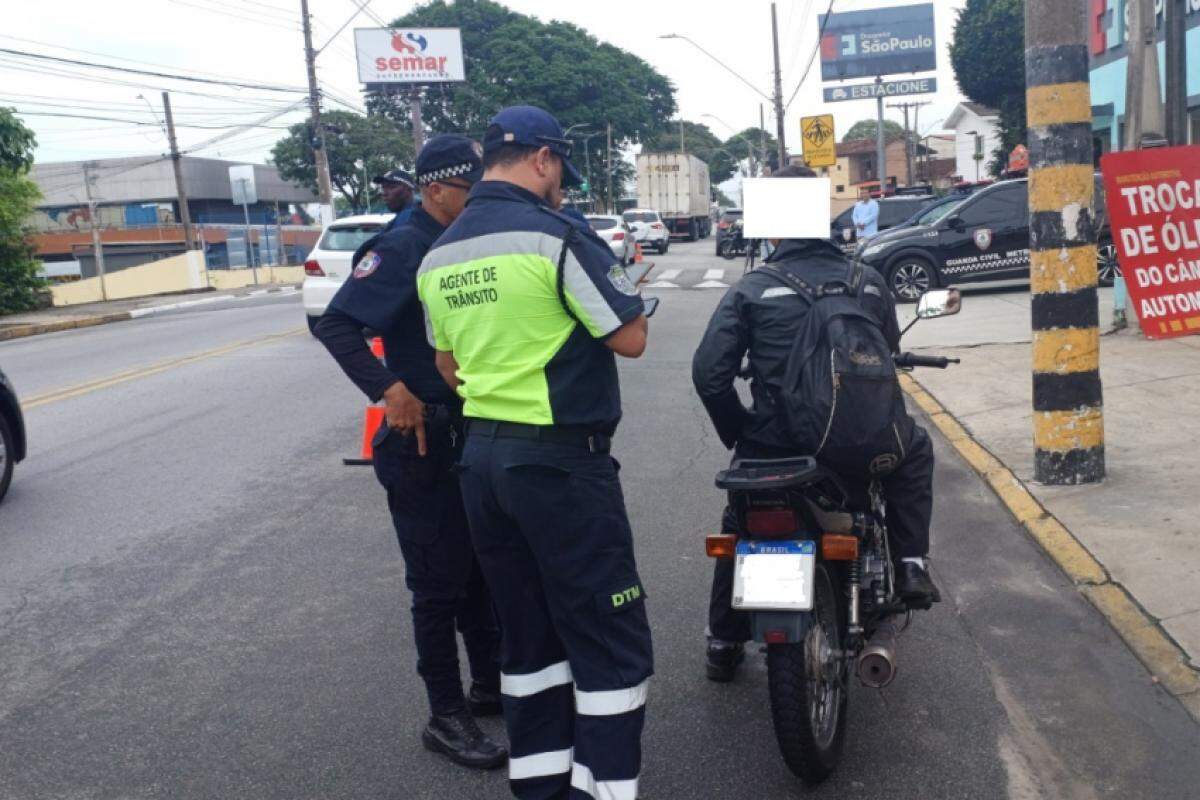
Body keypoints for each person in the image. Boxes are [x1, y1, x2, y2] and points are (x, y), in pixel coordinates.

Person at [417, 105, 653, 800]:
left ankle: (544, 790)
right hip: (557, 465)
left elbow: (447, 367)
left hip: (482, 465)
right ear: (543, 160)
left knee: (528, 644)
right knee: (611, 644)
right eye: (560, 172)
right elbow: (630, 338)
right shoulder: (555, 237)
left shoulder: (442, 252)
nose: (561, 186)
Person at [692, 164, 940, 683]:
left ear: (772, 223)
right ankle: (912, 562)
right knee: (914, 451)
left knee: (740, 521)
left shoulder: (752, 289)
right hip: (857, 445)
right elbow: (886, 356)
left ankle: (722, 639)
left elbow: (709, 375)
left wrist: (740, 430)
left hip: (773, 449)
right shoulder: (866, 283)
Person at [314, 135, 507, 770]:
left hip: (467, 432)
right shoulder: (402, 246)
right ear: (435, 191)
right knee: (438, 585)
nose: (478, 199)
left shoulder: (459, 241)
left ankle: (488, 686)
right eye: (469, 190)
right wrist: (389, 389)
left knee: (479, 570)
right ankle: (445, 717)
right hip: (419, 441)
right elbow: (337, 323)